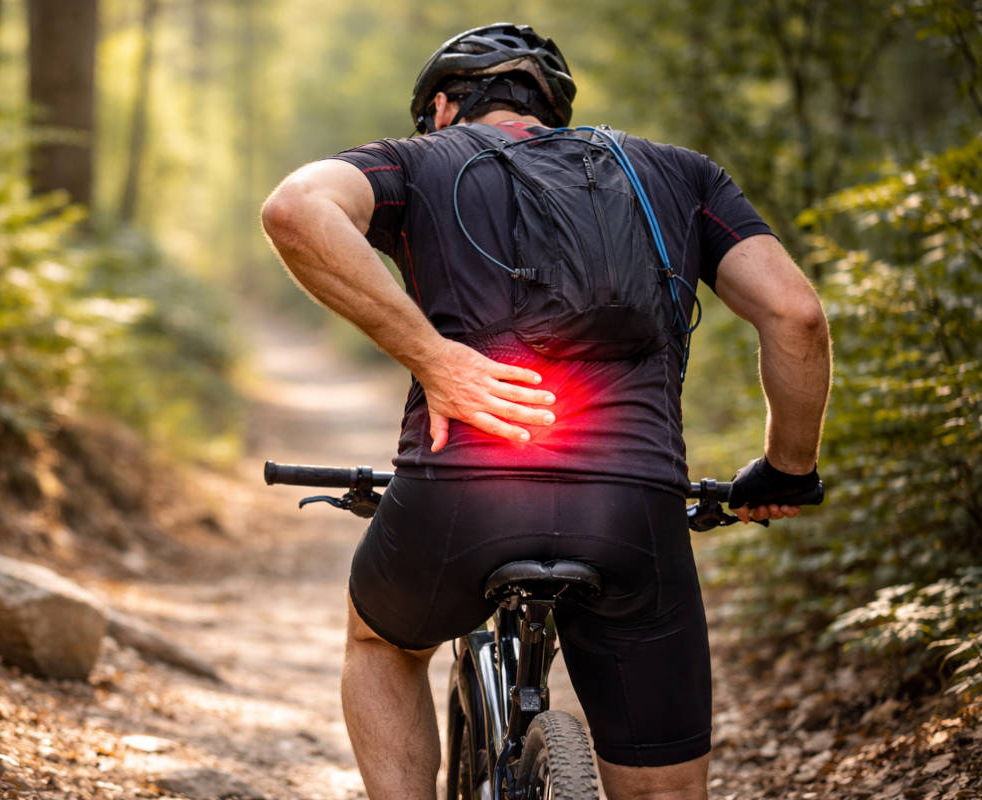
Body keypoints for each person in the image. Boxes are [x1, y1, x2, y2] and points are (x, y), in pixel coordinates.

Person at [260, 22, 831, 800]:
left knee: (382, 642)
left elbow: (295, 210)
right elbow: (797, 316)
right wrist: (786, 471)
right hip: (631, 510)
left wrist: (434, 358)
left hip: (462, 495)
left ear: (439, 106)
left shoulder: (415, 160)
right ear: (552, 111)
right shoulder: (676, 175)